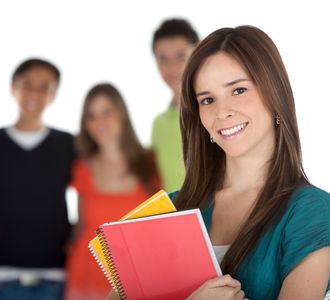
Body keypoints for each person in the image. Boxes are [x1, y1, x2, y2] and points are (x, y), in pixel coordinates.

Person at [108, 25, 330, 300]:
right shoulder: (171, 209)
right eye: (208, 99)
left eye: (238, 90)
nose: (222, 112)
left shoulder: (312, 213)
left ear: (274, 94)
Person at [0, 58, 76, 300]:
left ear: (54, 96)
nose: (34, 92)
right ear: (13, 88)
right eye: (27, 84)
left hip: (52, 279)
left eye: (45, 87)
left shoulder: (66, 145)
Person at [64, 83, 159, 300]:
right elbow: (81, 226)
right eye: (92, 116)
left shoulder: (150, 164)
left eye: (107, 112)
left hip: (136, 278)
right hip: (86, 277)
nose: (100, 122)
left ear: (122, 114)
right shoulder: (82, 168)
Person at [151, 18, 199, 193]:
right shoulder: (158, 125)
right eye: (163, 59)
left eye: (181, 56)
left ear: (197, 53)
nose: (172, 67)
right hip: (179, 219)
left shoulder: (215, 112)